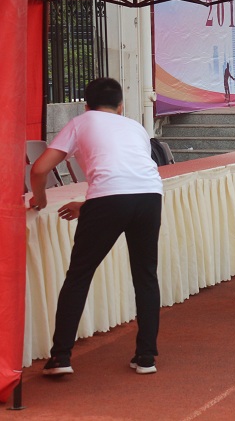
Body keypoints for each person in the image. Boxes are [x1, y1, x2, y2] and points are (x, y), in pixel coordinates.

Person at [31, 78, 163, 375]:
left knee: (79, 275)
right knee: (146, 276)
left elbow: (39, 169)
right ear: (121, 106)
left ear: (86, 106)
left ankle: (60, 357)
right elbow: (127, 176)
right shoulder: (135, 127)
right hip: (150, 196)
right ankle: (146, 357)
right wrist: (88, 205)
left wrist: (40, 200)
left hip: (110, 198)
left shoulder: (81, 122)